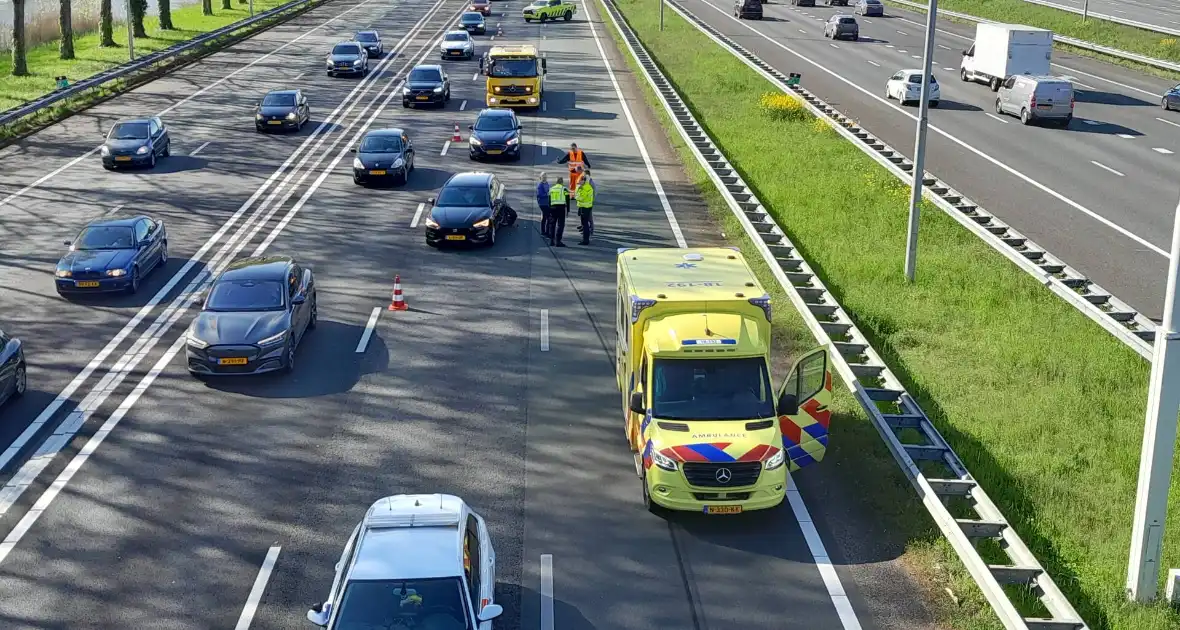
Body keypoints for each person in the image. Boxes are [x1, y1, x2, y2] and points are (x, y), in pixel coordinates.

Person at [556, 142, 591, 215]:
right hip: (572, 172)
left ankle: (579, 195)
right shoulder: (570, 154)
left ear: (576, 147)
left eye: (574, 148)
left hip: (580, 172)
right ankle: (572, 196)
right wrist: (559, 161)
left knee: (579, 184)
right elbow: (564, 160)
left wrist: (588, 164)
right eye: (572, 149)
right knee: (572, 185)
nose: (573, 150)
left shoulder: (581, 153)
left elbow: (585, 159)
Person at [548, 176, 569, 247]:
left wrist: (549, 209)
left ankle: (551, 240)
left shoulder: (551, 189)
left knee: (552, 224)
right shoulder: (564, 189)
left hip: (553, 208)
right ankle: (558, 241)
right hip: (561, 208)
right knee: (560, 225)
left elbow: (549, 199)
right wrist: (568, 210)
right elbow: (567, 200)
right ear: (562, 182)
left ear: (556, 182)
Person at [574, 174, 595, 245]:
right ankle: (586, 238)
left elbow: (580, 197)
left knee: (585, 224)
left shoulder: (584, 188)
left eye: (580, 181)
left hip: (584, 207)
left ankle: (585, 240)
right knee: (585, 223)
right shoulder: (589, 187)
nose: (579, 182)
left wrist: (577, 196)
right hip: (588, 207)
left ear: (584, 181)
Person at [536, 173, 552, 240]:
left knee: (545, 217)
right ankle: (547, 233)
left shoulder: (547, 183)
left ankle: (543, 232)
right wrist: (547, 194)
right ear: (540, 178)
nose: (544, 178)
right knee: (548, 217)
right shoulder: (540, 185)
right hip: (542, 203)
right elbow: (539, 195)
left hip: (547, 203)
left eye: (545, 176)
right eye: (543, 177)